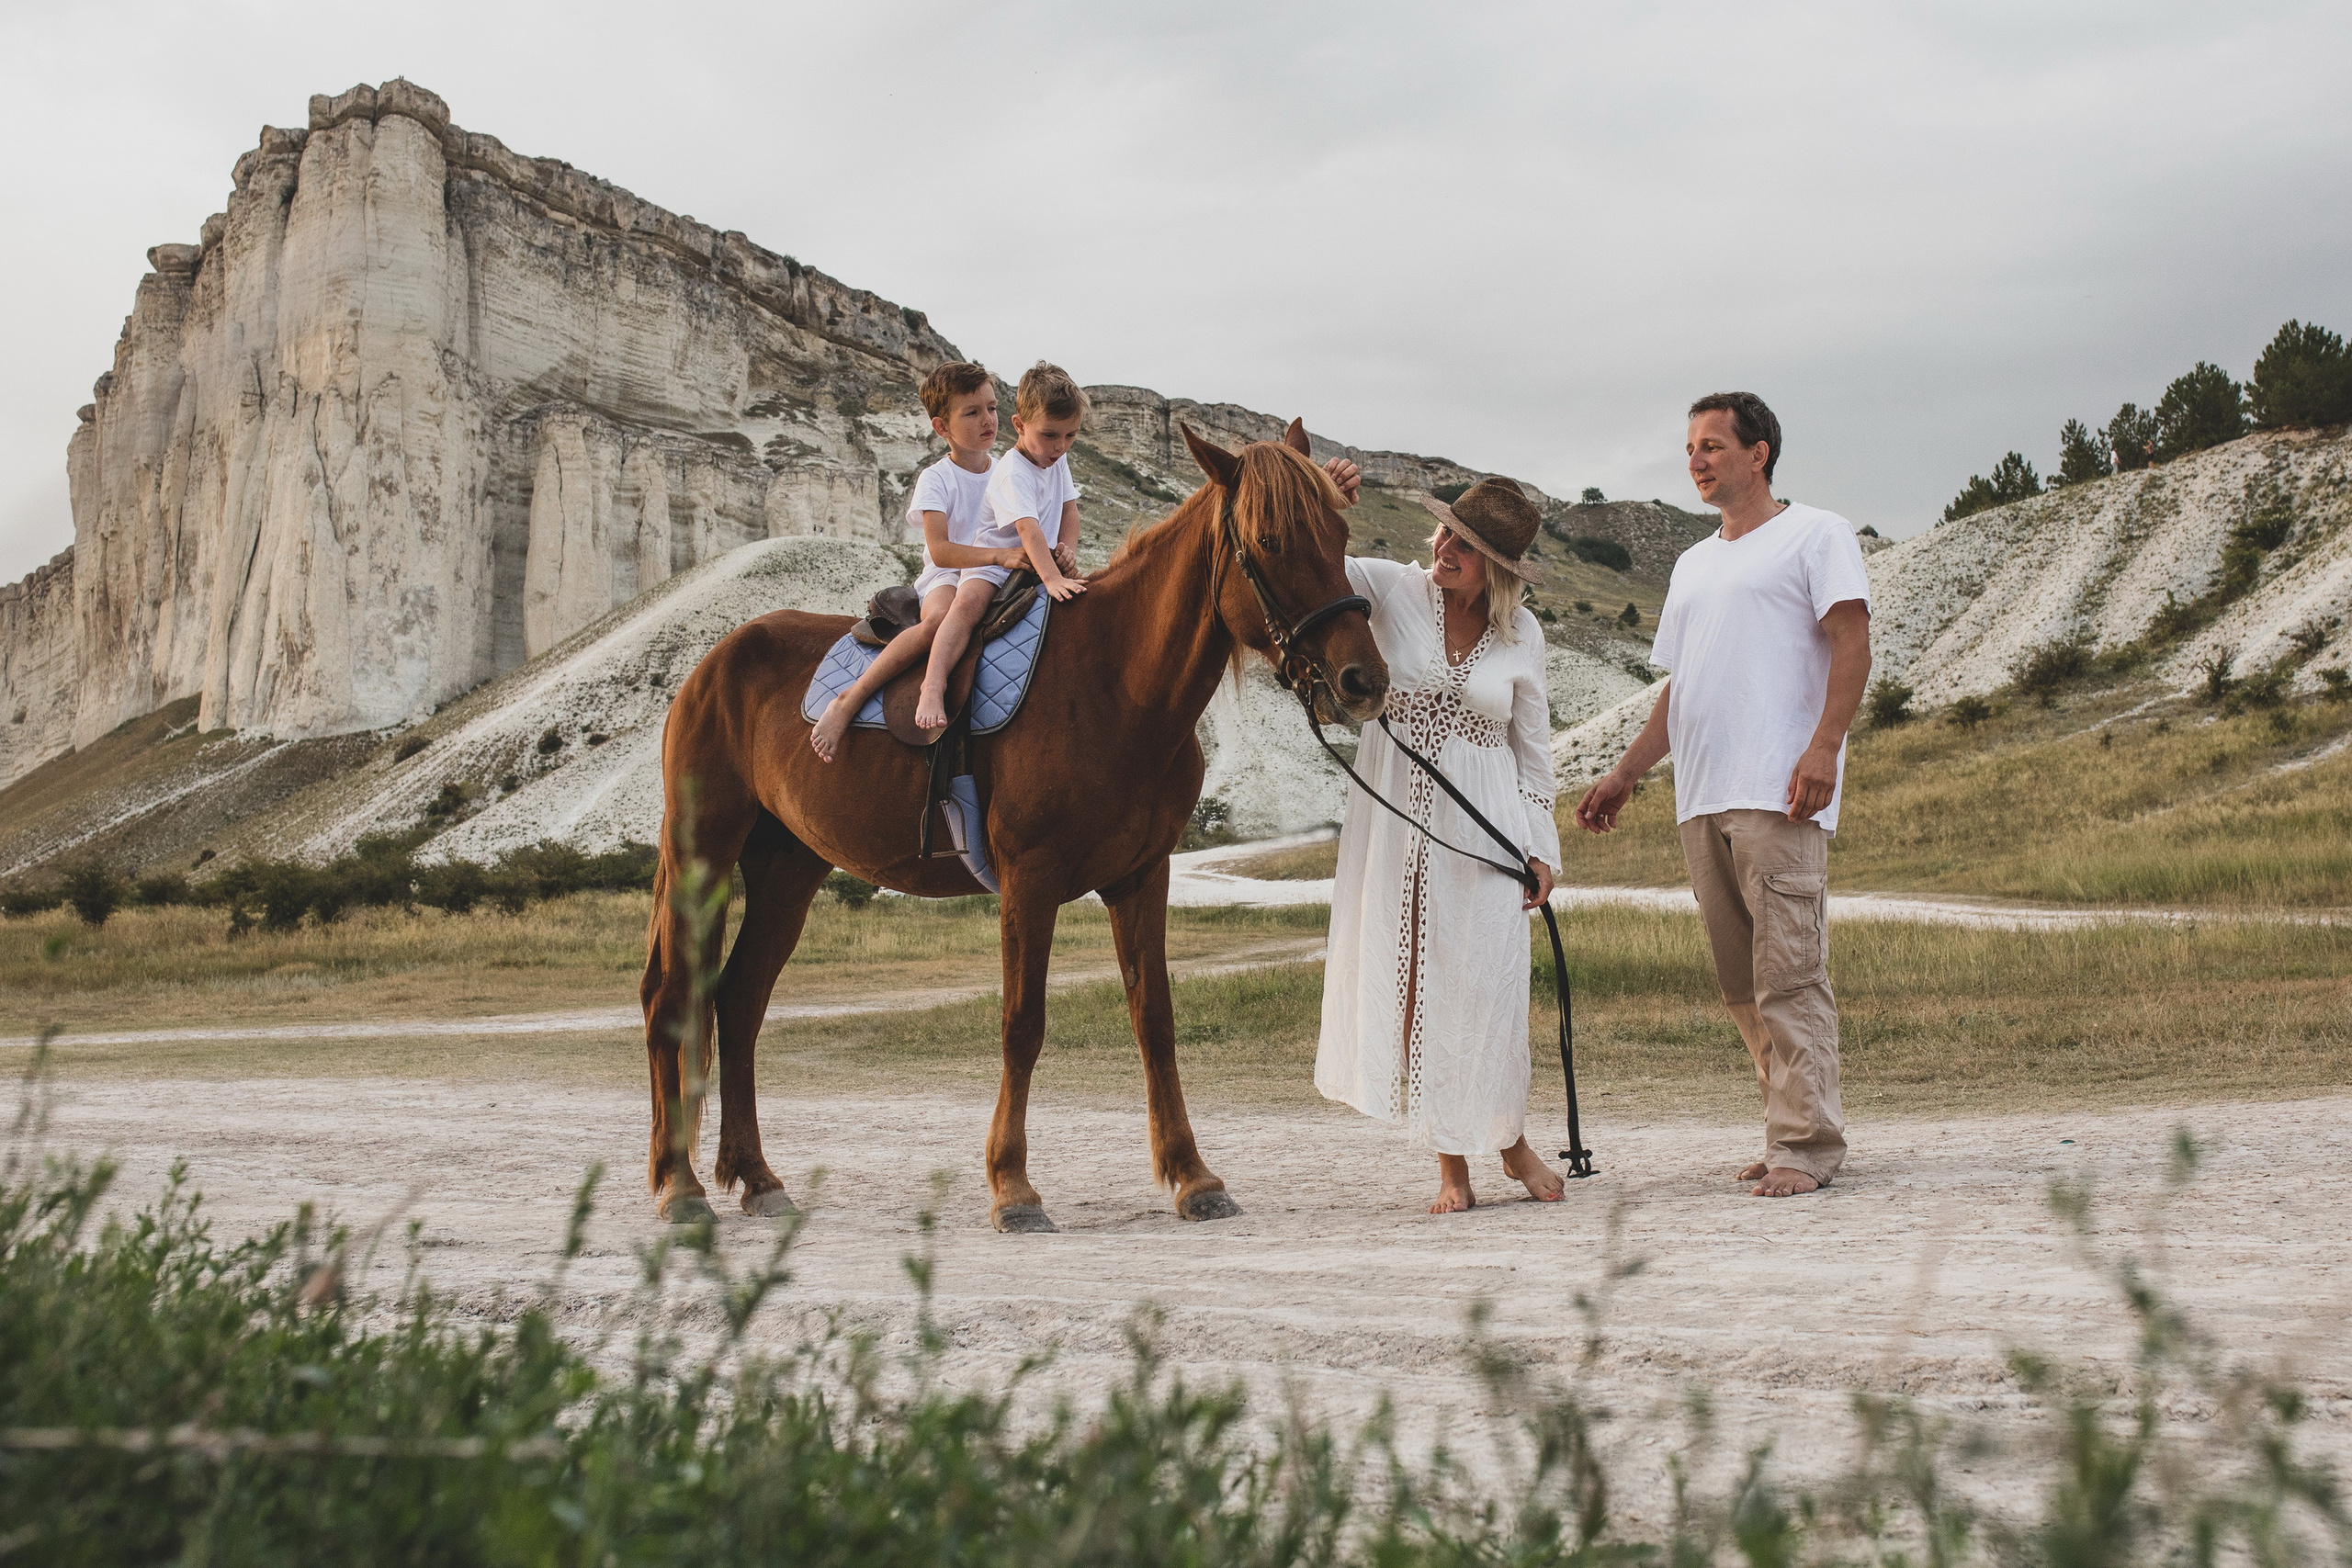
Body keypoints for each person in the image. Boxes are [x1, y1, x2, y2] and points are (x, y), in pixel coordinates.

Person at [1573, 392, 1872, 1198]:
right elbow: (1684, 683)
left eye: (1711, 445)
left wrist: (1823, 748)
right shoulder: (1691, 563)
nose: (1697, 460)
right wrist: (1628, 771)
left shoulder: (1817, 534)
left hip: (1780, 791)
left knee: (1790, 973)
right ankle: (1785, 1129)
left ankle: (1807, 1146)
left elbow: (1853, 643)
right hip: (1701, 795)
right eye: (1690, 449)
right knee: (1741, 983)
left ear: (1759, 452)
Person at [1313, 475, 1567, 1214]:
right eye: (1446, 534)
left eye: (1467, 544)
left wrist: (1541, 847)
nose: (1445, 548)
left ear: (1499, 566)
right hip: (1397, 823)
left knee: (1488, 982)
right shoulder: (1390, 589)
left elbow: (1533, 752)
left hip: (1488, 827)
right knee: (1420, 984)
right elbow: (1316, 566)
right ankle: (1451, 1164)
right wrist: (1324, 499)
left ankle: (1512, 1141)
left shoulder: (1525, 636)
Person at [809, 361, 1027, 761]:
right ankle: (852, 698)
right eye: (972, 412)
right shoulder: (936, 478)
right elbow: (941, 550)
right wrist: (998, 553)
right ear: (942, 427)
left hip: (994, 573)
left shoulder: (1007, 472)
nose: (988, 420)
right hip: (947, 574)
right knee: (937, 624)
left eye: (993, 408)